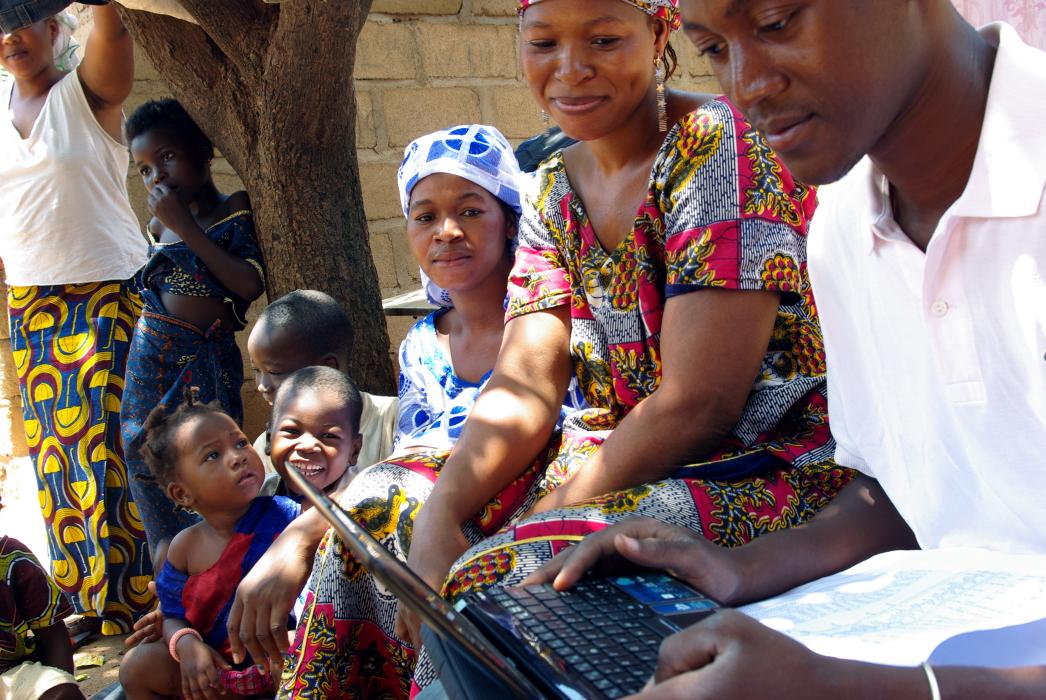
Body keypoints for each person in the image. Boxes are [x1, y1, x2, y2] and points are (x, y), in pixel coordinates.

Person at [235, 5, 852, 685]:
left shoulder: (717, 146)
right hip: (610, 458)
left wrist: (518, 529)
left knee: (499, 571)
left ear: (659, 33)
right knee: (383, 500)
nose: (570, 69)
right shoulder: (555, 187)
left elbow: (697, 404)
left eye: (604, 40)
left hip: (755, 465)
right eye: (544, 43)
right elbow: (525, 384)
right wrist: (442, 514)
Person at [524, 0, 1046, 697]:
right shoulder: (844, 231)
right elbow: (905, 487)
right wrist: (737, 568)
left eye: (776, 24)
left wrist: (870, 689)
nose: (747, 85)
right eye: (713, 47)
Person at [0, 2, 152, 636]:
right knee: (58, 459)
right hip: (32, 303)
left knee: (110, 450)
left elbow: (113, 41)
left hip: (106, 292)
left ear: (55, 29)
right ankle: (87, 601)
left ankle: (142, 600)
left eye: (23, 22)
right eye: (0, 28)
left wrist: (103, 7)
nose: (11, 38)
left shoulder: (83, 96)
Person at [119, 97, 265, 559]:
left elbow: (247, 283)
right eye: (144, 169)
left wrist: (186, 227)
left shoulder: (232, 210)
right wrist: (172, 226)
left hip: (200, 363)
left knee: (211, 462)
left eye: (166, 157)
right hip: (151, 357)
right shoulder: (160, 228)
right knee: (148, 460)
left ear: (203, 151)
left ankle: (221, 569)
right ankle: (173, 583)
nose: (157, 175)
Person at [118, 394, 300, 700]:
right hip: (214, 672)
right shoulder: (184, 548)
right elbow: (171, 615)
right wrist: (187, 645)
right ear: (182, 493)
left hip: (275, 663)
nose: (238, 456)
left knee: (295, 646)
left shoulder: (289, 517)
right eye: (213, 455)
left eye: (240, 443)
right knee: (137, 666)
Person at [247, 289, 397, 482]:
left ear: (326, 367)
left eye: (274, 372)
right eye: (256, 371)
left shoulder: (393, 421)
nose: (262, 385)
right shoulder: (267, 446)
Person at [0, 535, 83, 700]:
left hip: (9, 676)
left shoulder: (11, 557)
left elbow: (53, 638)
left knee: (61, 694)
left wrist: (61, 683)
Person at [268, 366, 364, 502]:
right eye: (292, 431)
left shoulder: (368, 505)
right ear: (269, 439)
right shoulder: (254, 496)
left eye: (328, 436)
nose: (307, 446)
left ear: (354, 451)